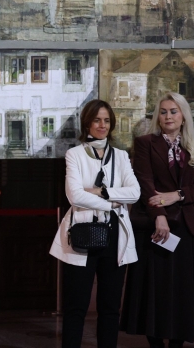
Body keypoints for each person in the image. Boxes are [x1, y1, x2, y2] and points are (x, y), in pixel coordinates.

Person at [120, 92, 194, 348]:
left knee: (183, 295)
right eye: (163, 111)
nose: (168, 116)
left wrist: (178, 195)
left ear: (183, 116)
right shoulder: (144, 143)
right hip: (155, 227)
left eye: (173, 111)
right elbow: (145, 183)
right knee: (156, 292)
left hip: (188, 229)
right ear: (157, 116)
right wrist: (160, 215)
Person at [50, 100, 141, 348]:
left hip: (115, 237)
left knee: (110, 307)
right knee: (75, 307)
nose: (102, 125)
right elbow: (75, 195)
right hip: (82, 235)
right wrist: (112, 202)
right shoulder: (75, 154)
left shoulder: (121, 156)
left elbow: (134, 193)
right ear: (87, 123)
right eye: (97, 120)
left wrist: (101, 193)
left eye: (107, 120)